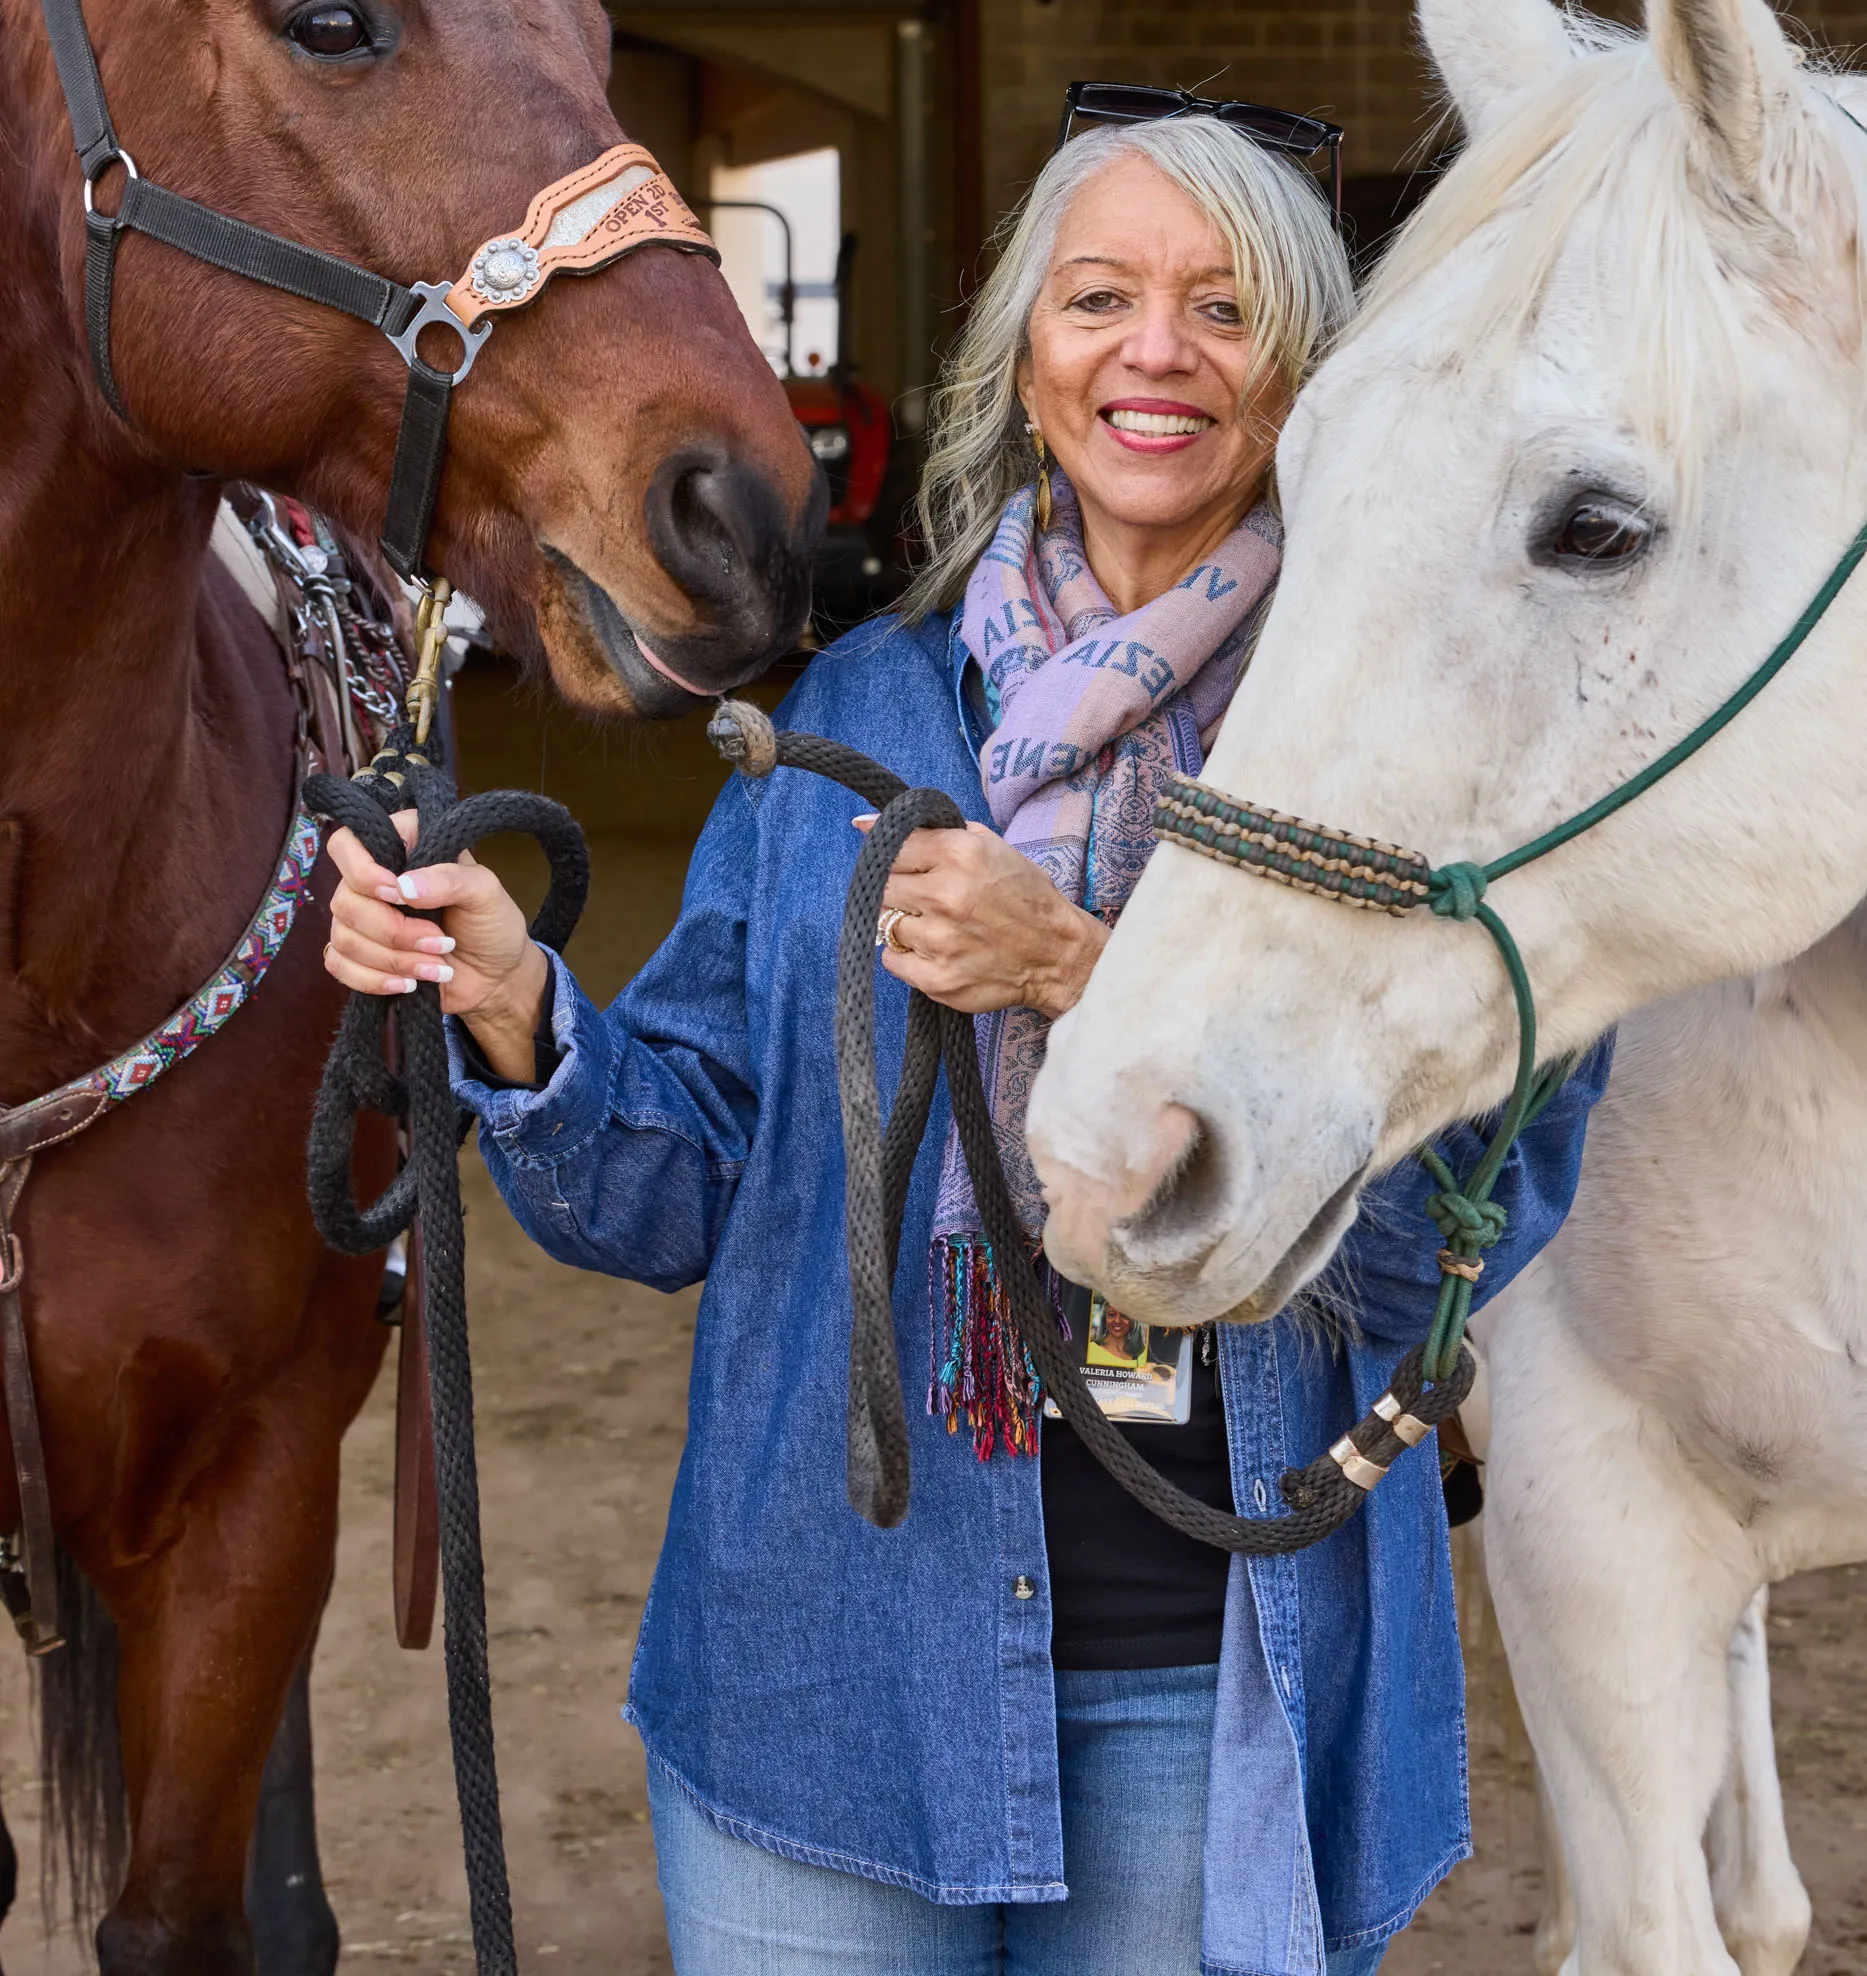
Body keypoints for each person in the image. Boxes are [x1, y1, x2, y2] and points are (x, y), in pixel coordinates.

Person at [323, 103, 1609, 1976]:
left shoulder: (1424, 775)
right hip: (827, 1672)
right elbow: (674, 1192)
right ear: (1028, 357)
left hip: (1218, 1668)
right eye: (1098, 298)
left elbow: (1449, 1242)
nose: (1152, 351)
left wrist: (1085, 975)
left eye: (1222, 307)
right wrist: (522, 1009)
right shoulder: (859, 710)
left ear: (1309, 376)